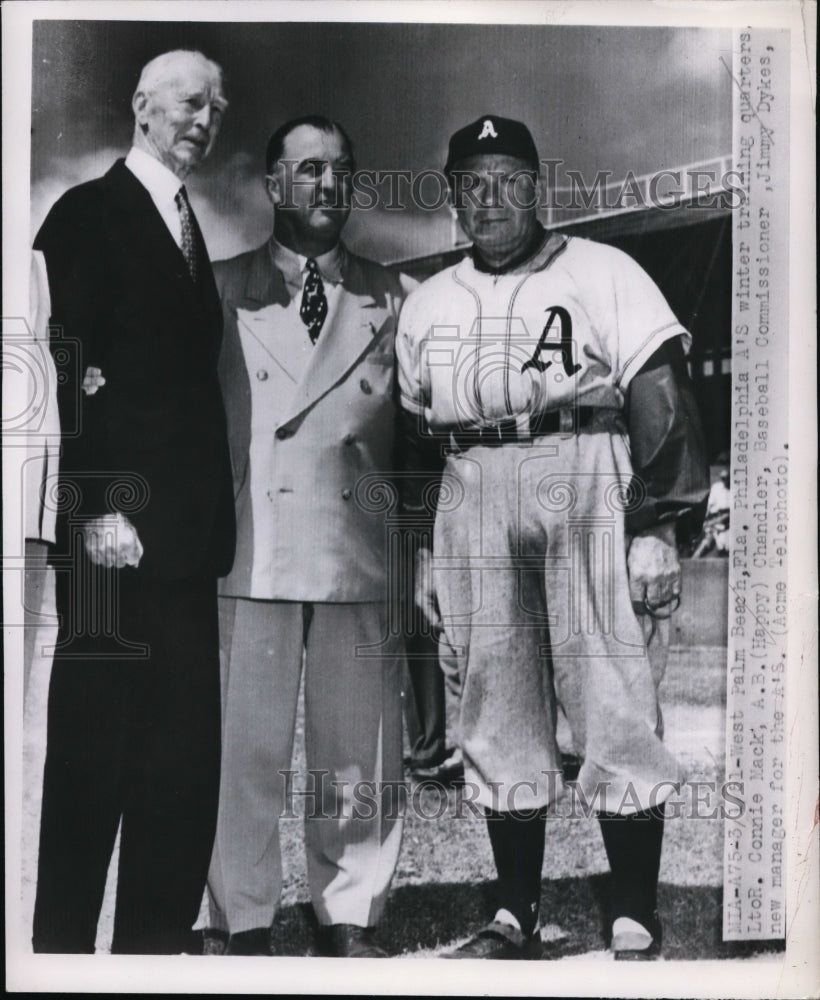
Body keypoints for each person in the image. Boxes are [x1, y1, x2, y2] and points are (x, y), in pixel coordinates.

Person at [396, 115, 709, 960]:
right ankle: (514, 912)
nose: (490, 198)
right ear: (452, 197)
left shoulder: (605, 270)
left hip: (582, 463)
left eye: (508, 180)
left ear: (537, 188)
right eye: (473, 183)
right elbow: (416, 439)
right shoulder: (426, 301)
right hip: (473, 481)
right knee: (494, 703)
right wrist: (429, 548)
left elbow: (659, 392)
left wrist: (658, 526)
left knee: (611, 691)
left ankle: (634, 908)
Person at [31, 50, 235, 955]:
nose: (206, 119)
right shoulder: (86, 214)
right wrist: (96, 504)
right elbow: (62, 369)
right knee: (92, 763)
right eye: (192, 103)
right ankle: (61, 955)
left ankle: (152, 952)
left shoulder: (189, 226)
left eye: (218, 109)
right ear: (142, 107)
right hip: (111, 539)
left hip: (186, 549)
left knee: (180, 771)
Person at [205, 116, 408, 958]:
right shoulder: (216, 288)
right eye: (310, 170)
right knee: (241, 750)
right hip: (250, 547)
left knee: (355, 750)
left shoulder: (394, 295)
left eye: (343, 171)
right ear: (273, 185)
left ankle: (349, 909)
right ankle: (240, 914)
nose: (330, 186)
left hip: (355, 551)